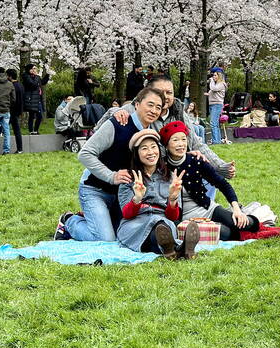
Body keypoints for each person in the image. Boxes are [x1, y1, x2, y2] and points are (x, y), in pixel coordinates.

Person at [54, 87, 167, 242]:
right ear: (137, 104)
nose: (154, 110)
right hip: (95, 189)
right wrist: (111, 176)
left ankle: (93, 219)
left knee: (124, 236)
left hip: (123, 195)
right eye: (150, 104)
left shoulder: (153, 132)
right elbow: (85, 154)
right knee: (106, 240)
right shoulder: (118, 123)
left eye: (158, 107)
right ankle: (69, 221)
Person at [99, 74, 235, 179]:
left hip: (176, 167)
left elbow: (196, 144)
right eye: (159, 92)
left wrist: (220, 166)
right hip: (144, 172)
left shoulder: (178, 113)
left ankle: (204, 210)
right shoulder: (137, 108)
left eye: (169, 92)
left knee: (204, 169)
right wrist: (117, 112)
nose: (165, 97)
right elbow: (101, 125)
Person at [161, 121, 260, 241]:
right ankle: (225, 230)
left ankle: (251, 220)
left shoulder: (196, 160)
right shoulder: (161, 166)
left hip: (206, 207)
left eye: (183, 139)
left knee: (244, 223)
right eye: (175, 140)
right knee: (225, 233)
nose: (181, 144)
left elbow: (223, 184)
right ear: (166, 144)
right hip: (183, 216)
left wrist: (236, 209)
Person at [115, 128, 199, 259]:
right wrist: (137, 198)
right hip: (135, 222)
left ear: (159, 150)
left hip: (162, 219)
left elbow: (173, 217)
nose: (150, 152)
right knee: (156, 231)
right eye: (144, 148)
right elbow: (126, 213)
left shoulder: (170, 176)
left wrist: (172, 199)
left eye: (153, 147)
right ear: (136, 153)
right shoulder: (128, 177)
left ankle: (172, 250)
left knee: (161, 226)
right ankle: (180, 249)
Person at [22, 64, 50, 135]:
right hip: (31, 99)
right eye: (33, 68)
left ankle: (35, 130)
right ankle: (31, 131)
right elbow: (33, 84)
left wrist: (47, 75)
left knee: (40, 115)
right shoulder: (26, 76)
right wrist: (37, 76)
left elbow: (42, 82)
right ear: (29, 69)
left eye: (35, 68)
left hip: (37, 99)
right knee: (32, 115)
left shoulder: (36, 77)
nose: (34, 70)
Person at [6, 68, 26, 153]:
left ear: (10, 76)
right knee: (16, 130)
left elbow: (12, 99)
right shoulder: (20, 85)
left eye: (7, 75)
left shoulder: (11, 86)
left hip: (12, 110)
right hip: (18, 110)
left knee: (9, 126)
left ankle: (19, 148)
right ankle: (20, 149)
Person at [206, 68, 227, 145]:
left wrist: (211, 81)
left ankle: (215, 141)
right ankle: (217, 141)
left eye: (215, 75)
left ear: (219, 76)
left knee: (213, 123)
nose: (213, 77)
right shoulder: (216, 84)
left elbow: (213, 89)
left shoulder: (221, 84)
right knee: (215, 124)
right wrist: (208, 94)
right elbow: (213, 92)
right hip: (213, 104)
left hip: (217, 105)